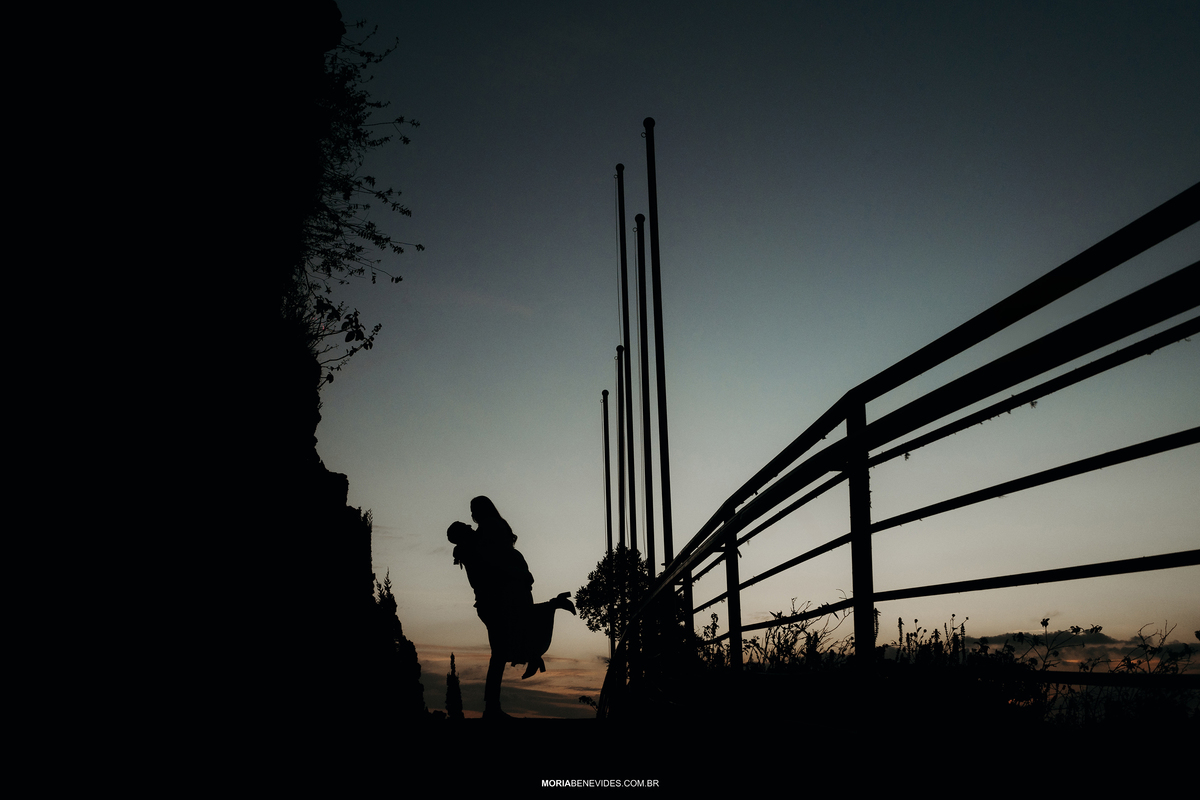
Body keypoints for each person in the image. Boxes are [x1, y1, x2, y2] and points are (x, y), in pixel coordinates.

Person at [447, 496, 574, 718]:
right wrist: (519, 575)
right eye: (465, 524)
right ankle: (494, 705)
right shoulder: (477, 543)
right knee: (503, 647)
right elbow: (495, 567)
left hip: (500, 598)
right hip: (497, 600)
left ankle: (494, 703)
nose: (470, 521)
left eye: (471, 515)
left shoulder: (479, 539)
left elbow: (498, 564)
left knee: (504, 647)